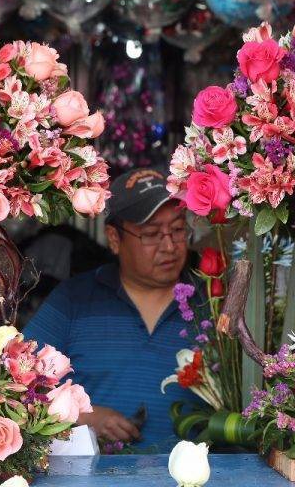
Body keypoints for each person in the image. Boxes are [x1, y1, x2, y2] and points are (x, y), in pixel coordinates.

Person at [24, 168, 200, 452]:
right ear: (115, 239)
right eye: (151, 234)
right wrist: (83, 417)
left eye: (178, 230)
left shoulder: (209, 304)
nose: (169, 246)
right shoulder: (73, 301)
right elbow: (19, 384)